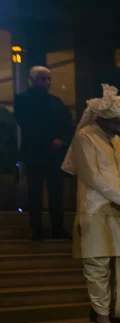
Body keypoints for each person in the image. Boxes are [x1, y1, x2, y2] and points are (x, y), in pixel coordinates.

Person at [62, 84, 120, 323]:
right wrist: (119, 197)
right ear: (106, 118)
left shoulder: (118, 141)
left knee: (118, 265)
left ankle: (107, 310)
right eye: (119, 121)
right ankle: (103, 322)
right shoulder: (84, 137)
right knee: (97, 265)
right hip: (94, 210)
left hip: (118, 211)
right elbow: (91, 176)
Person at [14, 66, 73, 241]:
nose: (46, 83)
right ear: (31, 80)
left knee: (57, 191)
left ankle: (57, 227)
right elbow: (27, 124)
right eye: (42, 79)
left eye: (48, 79)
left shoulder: (56, 101)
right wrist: (51, 141)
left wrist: (62, 139)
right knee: (35, 191)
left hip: (54, 153)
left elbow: (66, 123)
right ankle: (37, 228)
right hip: (35, 151)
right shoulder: (22, 99)